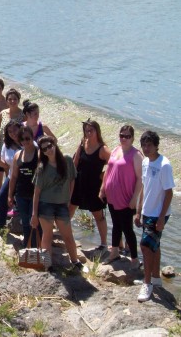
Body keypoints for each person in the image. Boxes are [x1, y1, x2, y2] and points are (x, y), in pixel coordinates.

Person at [31, 136, 82, 271]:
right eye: (45, 149)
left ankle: (75, 261)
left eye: (50, 146)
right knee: (47, 235)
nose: (49, 150)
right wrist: (34, 214)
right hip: (45, 205)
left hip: (62, 205)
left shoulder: (67, 160)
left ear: (54, 144)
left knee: (68, 236)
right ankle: (47, 265)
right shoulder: (42, 168)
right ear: (42, 152)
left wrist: (69, 199)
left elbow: (72, 180)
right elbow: (36, 193)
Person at [135, 131, 174, 303]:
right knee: (154, 245)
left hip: (158, 214)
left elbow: (169, 193)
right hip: (146, 211)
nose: (146, 148)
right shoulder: (145, 162)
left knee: (145, 246)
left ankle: (147, 283)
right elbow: (144, 187)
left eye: (149, 144)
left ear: (156, 145)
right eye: (143, 144)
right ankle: (156, 278)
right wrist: (138, 210)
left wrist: (160, 218)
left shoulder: (164, 165)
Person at [99, 125, 143, 267]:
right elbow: (108, 170)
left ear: (132, 138)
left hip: (126, 198)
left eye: (127, 136)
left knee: (127, 228)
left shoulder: (136, 155)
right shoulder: (116, 150)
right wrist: (102, 188)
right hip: (112, 195)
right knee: (116, 225)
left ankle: (135, 259)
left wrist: (135, 198)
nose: (124, 138)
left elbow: (140, 179)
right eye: (122, 135)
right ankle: (115, 252)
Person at [69, 119, 111, 251]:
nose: (88, 133)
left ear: (97, 131)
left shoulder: (103, 149)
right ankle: (65, 234)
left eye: (91, 130)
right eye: (86, 130)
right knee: (70, 209)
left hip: (94, 187)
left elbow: (113, 165)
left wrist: (103, 175)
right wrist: (70, 179)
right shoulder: (82, 144)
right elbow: (74, 163)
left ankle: (104, 243)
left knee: (98, 215)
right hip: (79, 182)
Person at [8, 126, 39, 246]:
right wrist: (10, 195)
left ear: (32, 138)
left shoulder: (39, 154)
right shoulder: (18, 155)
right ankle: (27, 243)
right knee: (25, 221)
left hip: (35, 194)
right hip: (21, 194)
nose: (25, 142)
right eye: (22, 139)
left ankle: (35, 246)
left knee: (34, 221)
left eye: (27, 138)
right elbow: (14, 177)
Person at [0, 120, 22, 229]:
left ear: (20, 128)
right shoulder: (7, 145)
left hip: (26, 179)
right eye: (10, 131)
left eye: (15, 130)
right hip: (11, 177)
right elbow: (6, 165)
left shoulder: (27, 142)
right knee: (1, 197)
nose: (13, 133)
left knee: (22, 203)